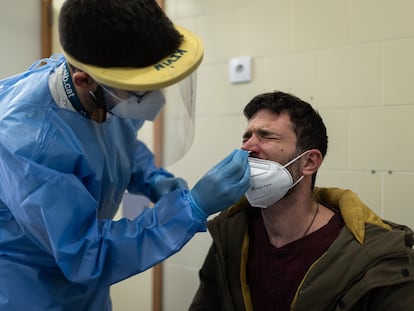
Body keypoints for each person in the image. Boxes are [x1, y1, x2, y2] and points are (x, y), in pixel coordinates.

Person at [0, 0, 250, 310]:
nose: (156, 100)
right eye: (141, 93)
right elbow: (87, 252)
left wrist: (152, 179)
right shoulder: (28, 143)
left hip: (89, 291)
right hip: (29, 288)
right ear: (83, 81)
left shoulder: (106, 89)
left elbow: (116, 143)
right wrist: (190, 209)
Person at [189, 91, 414, 311]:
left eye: (266, 136)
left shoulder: (374, 256)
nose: (247, 147)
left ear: (309, 162)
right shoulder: (230, 234)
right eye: (247, 137)